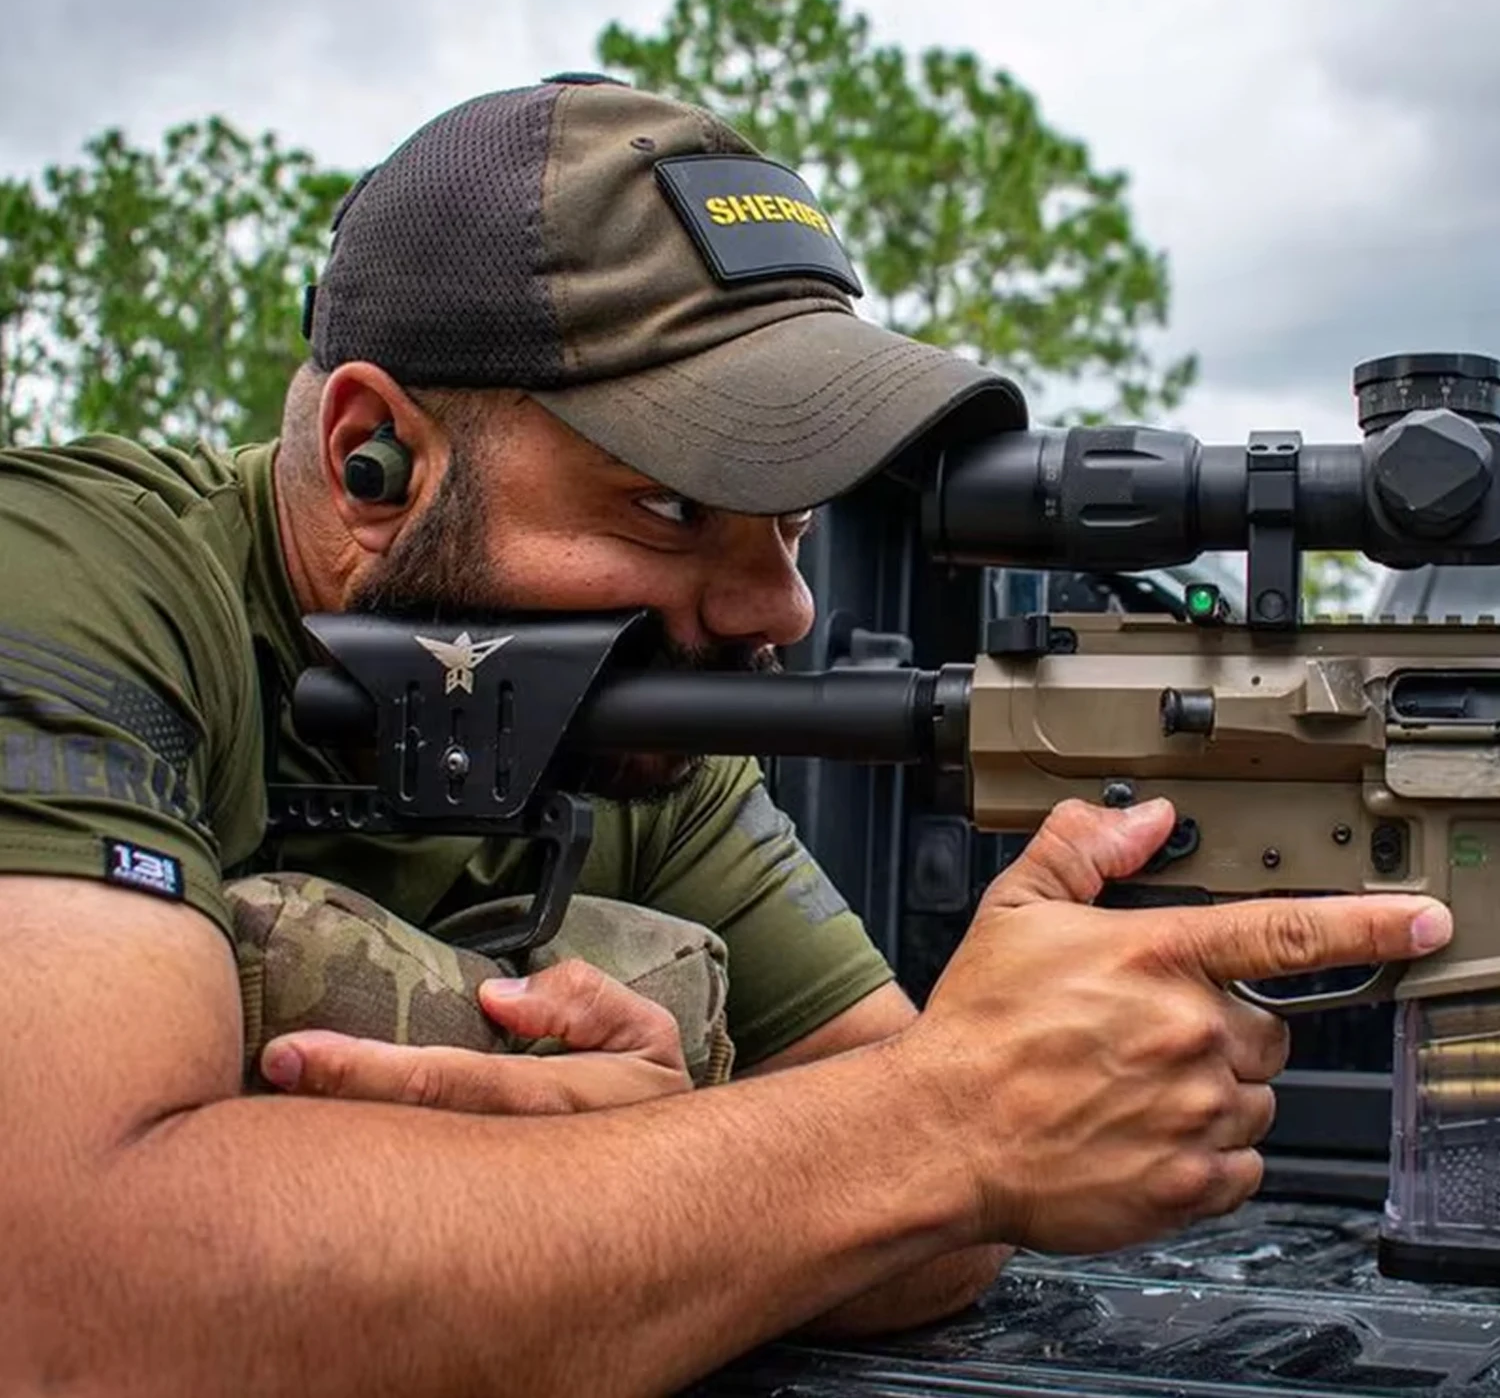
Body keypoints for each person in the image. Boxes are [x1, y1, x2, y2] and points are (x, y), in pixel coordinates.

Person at [0, 76, 1452, 1396]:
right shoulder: (68, 581)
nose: (779, 607)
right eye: (674, 507)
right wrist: (919, 1131)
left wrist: (644, 1162)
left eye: (797, 517)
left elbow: (937, 1235)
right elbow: (72, 1303)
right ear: (373, 461)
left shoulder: (640, 729)